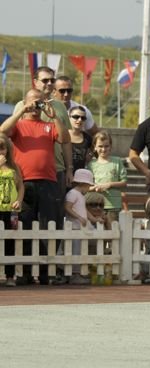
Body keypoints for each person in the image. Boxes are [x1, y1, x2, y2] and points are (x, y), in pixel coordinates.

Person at [0, 88, 69, 285]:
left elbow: (64, 138)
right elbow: (2, 131)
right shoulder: (19, 125)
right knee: (24, 227)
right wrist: (21, 111)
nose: (36, 105)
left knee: (48, 227)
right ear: (25, 102)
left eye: (40, 102)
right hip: (25, 183)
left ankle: (46, 273)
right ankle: (25, 273)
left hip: (48, 181)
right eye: (33, 101)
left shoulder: (48, 125)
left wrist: (54, 116)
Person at [14, 66, 73, 231]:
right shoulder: (21, 104)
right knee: (25, 219)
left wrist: (69, 168)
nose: (49, 83)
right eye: (45, 80)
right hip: (26, 172)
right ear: (35, 82)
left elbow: (66, 140)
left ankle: (50, 255)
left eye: (52, 80)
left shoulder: (60, 106)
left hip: (56, 171)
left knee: (52, 219)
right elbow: (12, 134)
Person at [87, 131, 127, 227]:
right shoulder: (91, 165)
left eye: (106, 146)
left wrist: (109, 185)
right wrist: (95, 188)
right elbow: (87, 187)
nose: (103, 149)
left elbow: (124, 183)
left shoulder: (117, 162)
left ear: (111, 146)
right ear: (95, 147)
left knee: (113, 234)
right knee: (99, 236)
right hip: (96, 206)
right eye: (100, 146)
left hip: (113, 206)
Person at [0, 134, 25, 287]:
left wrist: (19, 200)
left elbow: (20, 185)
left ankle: (10, 275)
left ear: (7, 150)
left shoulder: (14, 167)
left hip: (10, 209)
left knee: (9, 241)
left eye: (2, 148)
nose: (0, 151)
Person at [63, 168, 95, 285]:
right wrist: (78, 217)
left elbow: (85, 210)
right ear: (83, 183)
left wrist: (94, 219)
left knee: (81, 250)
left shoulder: (80, 195)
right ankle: (74, 274)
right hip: (74, 227)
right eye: (88, 186)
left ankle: (78, 273)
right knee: (75, 251)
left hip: (80, 228)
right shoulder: (72, 194)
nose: (89, 188)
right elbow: (67, 207)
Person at [68, 106, 93, 172]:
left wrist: (90, 155)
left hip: (80, 176)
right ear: (69, 117)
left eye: (83, 118)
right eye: (76, 117)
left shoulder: (88, 138)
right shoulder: (62, 135)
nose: (80, 120)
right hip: (62, 174)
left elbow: (96, 153)